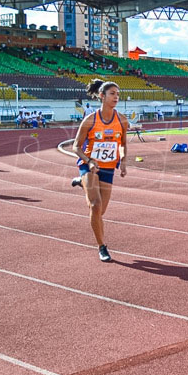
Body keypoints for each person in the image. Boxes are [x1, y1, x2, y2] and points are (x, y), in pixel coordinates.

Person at [70, 78, 128, 262]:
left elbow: (123, 144)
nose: (116, 97)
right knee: (94, 206)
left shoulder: (122, 120)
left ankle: (81, 183)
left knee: (100, 211)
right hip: (89, 165)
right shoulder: (90, 120)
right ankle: (102, 246)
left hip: (109, 167)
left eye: (118, 94)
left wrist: (124, 160)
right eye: (112, 94)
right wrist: (89, 161)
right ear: (102, 96)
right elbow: (76, 147)